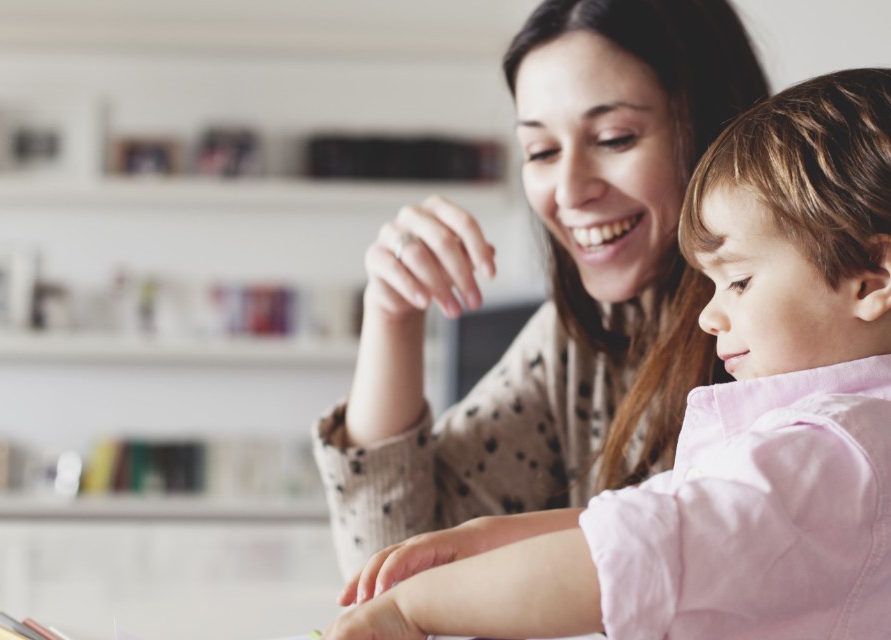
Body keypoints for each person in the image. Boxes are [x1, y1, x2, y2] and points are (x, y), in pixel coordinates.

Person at [322, 67, 891, 639]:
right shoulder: (870, 443)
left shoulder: (834, 457)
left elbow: (636, 553)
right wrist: (486, 540)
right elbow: (677, 511)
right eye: (539, 149)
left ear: (871, 280)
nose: (712, 315)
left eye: (739, 280)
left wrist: (411, 611)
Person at [313, 0, 769, 576]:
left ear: (715, 124)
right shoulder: (581, 339)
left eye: (614, 137)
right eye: (542, 151)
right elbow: (393, 562)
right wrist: (391, 315)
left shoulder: (797, 329)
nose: (569, 190)